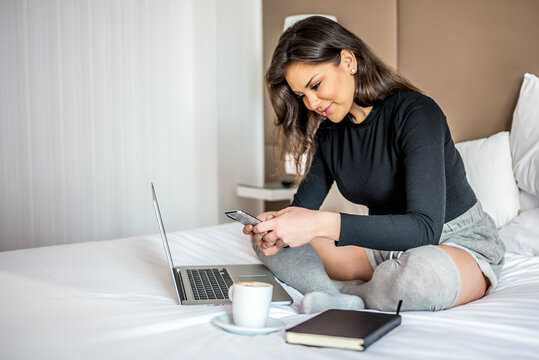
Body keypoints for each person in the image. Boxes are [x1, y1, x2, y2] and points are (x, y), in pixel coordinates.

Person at [244, 16, 505, 314]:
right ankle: (332, 295)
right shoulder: (329, 134)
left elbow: (425, 229)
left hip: (455, 242)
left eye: (316, 85)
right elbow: (301, 213)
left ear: (348, 61)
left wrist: (322, 223)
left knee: (423, 277)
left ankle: (363, 291)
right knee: (270, 223)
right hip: (385, 246)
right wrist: (278, 233)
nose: (313, 103)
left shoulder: (417, 114)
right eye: (302, 96)